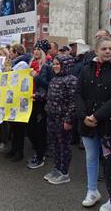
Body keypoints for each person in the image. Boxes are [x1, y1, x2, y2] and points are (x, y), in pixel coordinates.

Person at [76, 37, 111, 210]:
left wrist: (96, 116)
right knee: (90, 158)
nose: (108, 51)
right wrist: (84, 116)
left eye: (110, 49)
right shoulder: (85, 70)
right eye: (104, 49)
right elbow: (78, 94)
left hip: (109, 125)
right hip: (86, 123)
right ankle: (92, 191)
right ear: (96, 51)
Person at [44, 55, 77, 184]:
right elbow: (49, 96)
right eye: (55, 63)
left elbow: (73, 103)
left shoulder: (71, 80)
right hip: (51, 118)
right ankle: (57, 169)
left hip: (63, 120)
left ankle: (64, 172)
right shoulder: (54, 79)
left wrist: (68, 120)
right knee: (55, 145)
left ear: (66, 65)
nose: (55, 66)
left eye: (59, 64)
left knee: (64, 146)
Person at [4, 44, 31, 162]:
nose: (9, 54)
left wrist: (8, 70)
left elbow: (14, 77)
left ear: (16, 52)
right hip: (13, 98)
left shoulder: (22, 64)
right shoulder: (15, 63)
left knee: (19, 129)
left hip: (20, 99)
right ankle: (13, 149)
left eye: (11, 52)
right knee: (14, 127)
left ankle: (19, 152)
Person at [27, 40, 50, 169]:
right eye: (34, 49)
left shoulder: (47, 66)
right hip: (30, 101)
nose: (35, 51)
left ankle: (40, 156)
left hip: (41, 103)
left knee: (39, 131)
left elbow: (49, 86)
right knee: (30, 130)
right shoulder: (31, 64)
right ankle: (39, 152)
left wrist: (36, 77)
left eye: (38, 49)